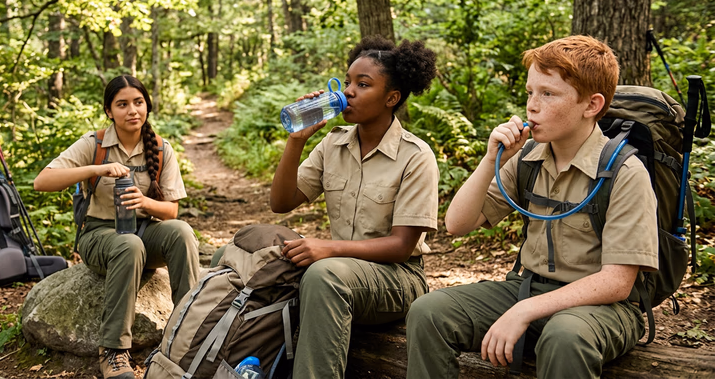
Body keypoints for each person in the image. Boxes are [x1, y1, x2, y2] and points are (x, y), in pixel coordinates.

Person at [405, 35, 659, 378]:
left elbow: (617, 283)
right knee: (429, 311)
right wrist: (490, 159)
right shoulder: (528, 157)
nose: (532, 106)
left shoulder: (623, 172)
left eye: (548, 94)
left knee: (565, 336)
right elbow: (457, 224)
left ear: (592, 105)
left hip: (603, 308)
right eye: (530, 92)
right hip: (529, 288)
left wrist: (525, 310)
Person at [269, 35, 440, 379]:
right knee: (252, 248)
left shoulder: (415, 156)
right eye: (347, 81)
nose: (348, 91)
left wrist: (328, 249)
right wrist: (296, 140)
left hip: (398, 278)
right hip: (341, 269)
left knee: (323, 274)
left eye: (363, 84)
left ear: (391, 98)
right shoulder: (334, 143)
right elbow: (281, 202)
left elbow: (402, 246)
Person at [33, 75, 199, 379]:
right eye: (122, 104)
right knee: (128, 245)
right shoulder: (94, 144)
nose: (132, 110)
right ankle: (113, 350)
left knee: (183, 233)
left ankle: (188, 334)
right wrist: (98, 168)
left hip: (144, 231)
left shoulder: (161, 149)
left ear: (147, 105)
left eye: (138, 102)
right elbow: (42, 181)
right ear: (109, 110)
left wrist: (146, 203)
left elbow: (172, 212)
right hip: (99, 235)